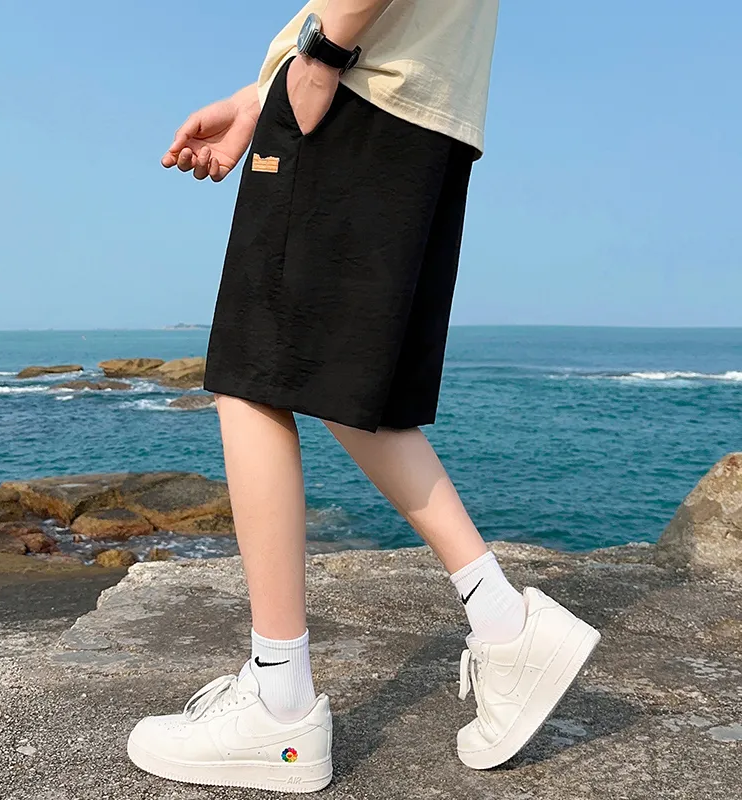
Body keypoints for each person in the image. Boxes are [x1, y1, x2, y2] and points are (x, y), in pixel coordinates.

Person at [127, 0, 600, 792]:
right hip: (420, 108)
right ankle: (504, 622)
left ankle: (279, 705)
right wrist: (260, 94)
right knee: (349, 381)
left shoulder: (336, 65)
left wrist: (320, 53)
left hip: (358, 88)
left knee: (253, 375)